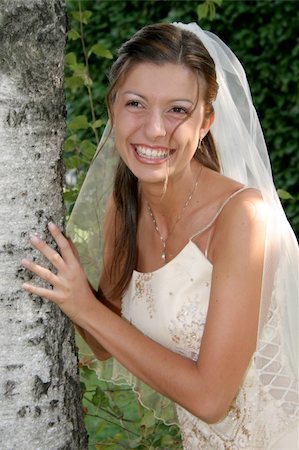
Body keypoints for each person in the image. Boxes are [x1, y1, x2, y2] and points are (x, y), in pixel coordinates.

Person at [21, 23, 298, 449]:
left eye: (177, 110)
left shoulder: (242, 218)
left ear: (206, 121)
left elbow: (210, 399)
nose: (154, 130)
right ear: (112, 107)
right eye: (136, 103)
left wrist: (86, 308)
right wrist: (72, 288)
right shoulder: (126, 208)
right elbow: (102, 340)